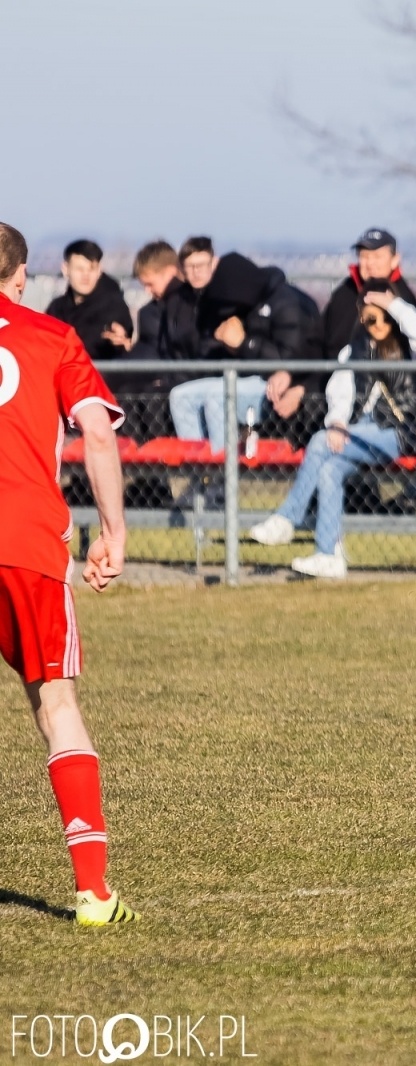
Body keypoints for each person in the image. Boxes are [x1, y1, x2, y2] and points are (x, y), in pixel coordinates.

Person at [0, 221, 139, 925]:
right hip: (24, 541)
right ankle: (92, 892)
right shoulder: (53, 337)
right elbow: (99, 432)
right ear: (21, 277)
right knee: (56, 704)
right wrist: (113, 530)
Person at [247, 285, 416, 579]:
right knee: (330, 471)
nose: (377, 324)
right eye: (369, 319)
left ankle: (287, 518)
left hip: (402, 432)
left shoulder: (411, 349)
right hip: (361, 431)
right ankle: (328, 555)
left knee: (319, 441)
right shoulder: (353, 351)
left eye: (384, 317)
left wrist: (394, 304)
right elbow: (340, 391)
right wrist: (337, 422)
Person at [168, 251, 323, 454]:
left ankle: (223, 469)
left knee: (218, 397)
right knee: (180, 397)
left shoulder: (288, 304)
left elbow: (290, 361)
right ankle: (197, 468)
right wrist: (228, 343)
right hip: (250, 378)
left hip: (286, 384)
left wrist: (244, 343)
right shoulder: (249, 302)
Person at [100, 240, 203, 442]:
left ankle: (156, 452)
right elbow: (149, 349)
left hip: (178, 378)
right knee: (126, 393)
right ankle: (136, 452)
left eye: (150, 284)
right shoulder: (149, 312)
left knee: (149, 396)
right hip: (159, 375)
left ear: (170, 272)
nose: (147, 291)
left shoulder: (187, 305)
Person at [323, 228, 416, 360]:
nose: (370, 263)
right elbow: (325, 338)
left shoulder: (403, 297)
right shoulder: (344, 293)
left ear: (395, 259)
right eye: (364, 256)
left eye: (377, 256)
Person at [43, 239, 134, 364]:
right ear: (65, 269)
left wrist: (119, 343)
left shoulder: (114, 307)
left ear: (99, 270)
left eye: (91, 269)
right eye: (79, 269)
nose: (85, 275)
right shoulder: (56, 308)